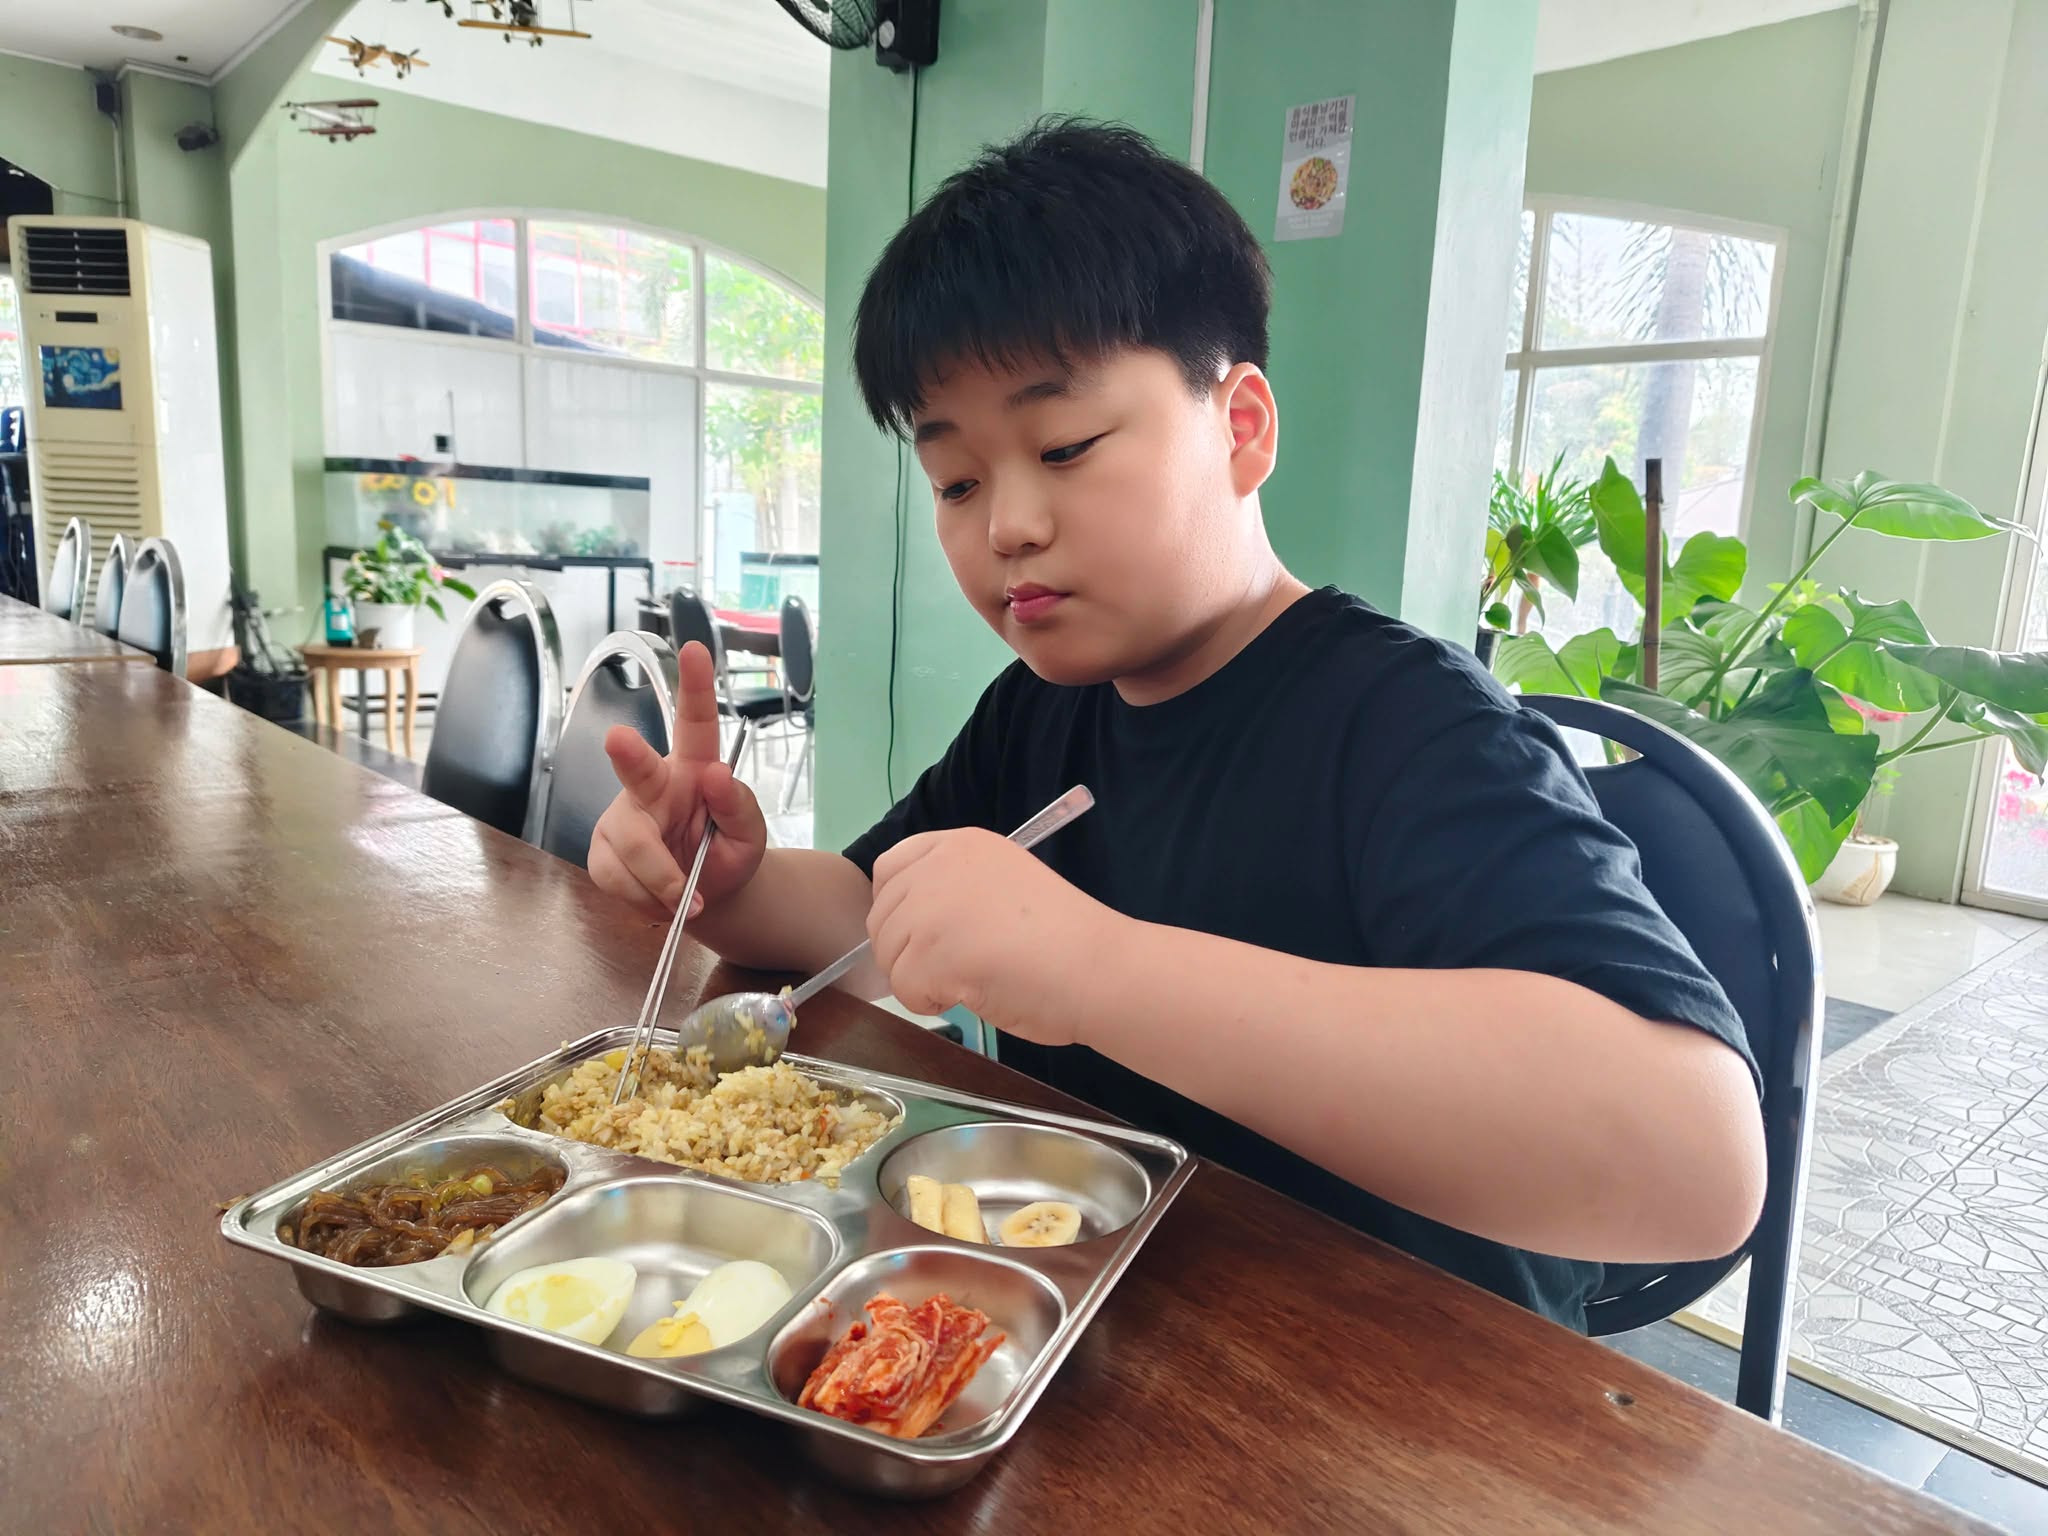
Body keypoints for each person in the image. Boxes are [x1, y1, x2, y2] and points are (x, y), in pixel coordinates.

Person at [589, 119, 1765, 1330]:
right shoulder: (1042, 709)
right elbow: (873, 913)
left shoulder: (1408, 727)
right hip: (1110, 1329)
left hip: (1401, 1376)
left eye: (1063, 446)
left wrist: (1093, 969)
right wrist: (726, 882)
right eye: (956, 481)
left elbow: (1696, 1162)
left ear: (1240, 428)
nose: (1005, 526)